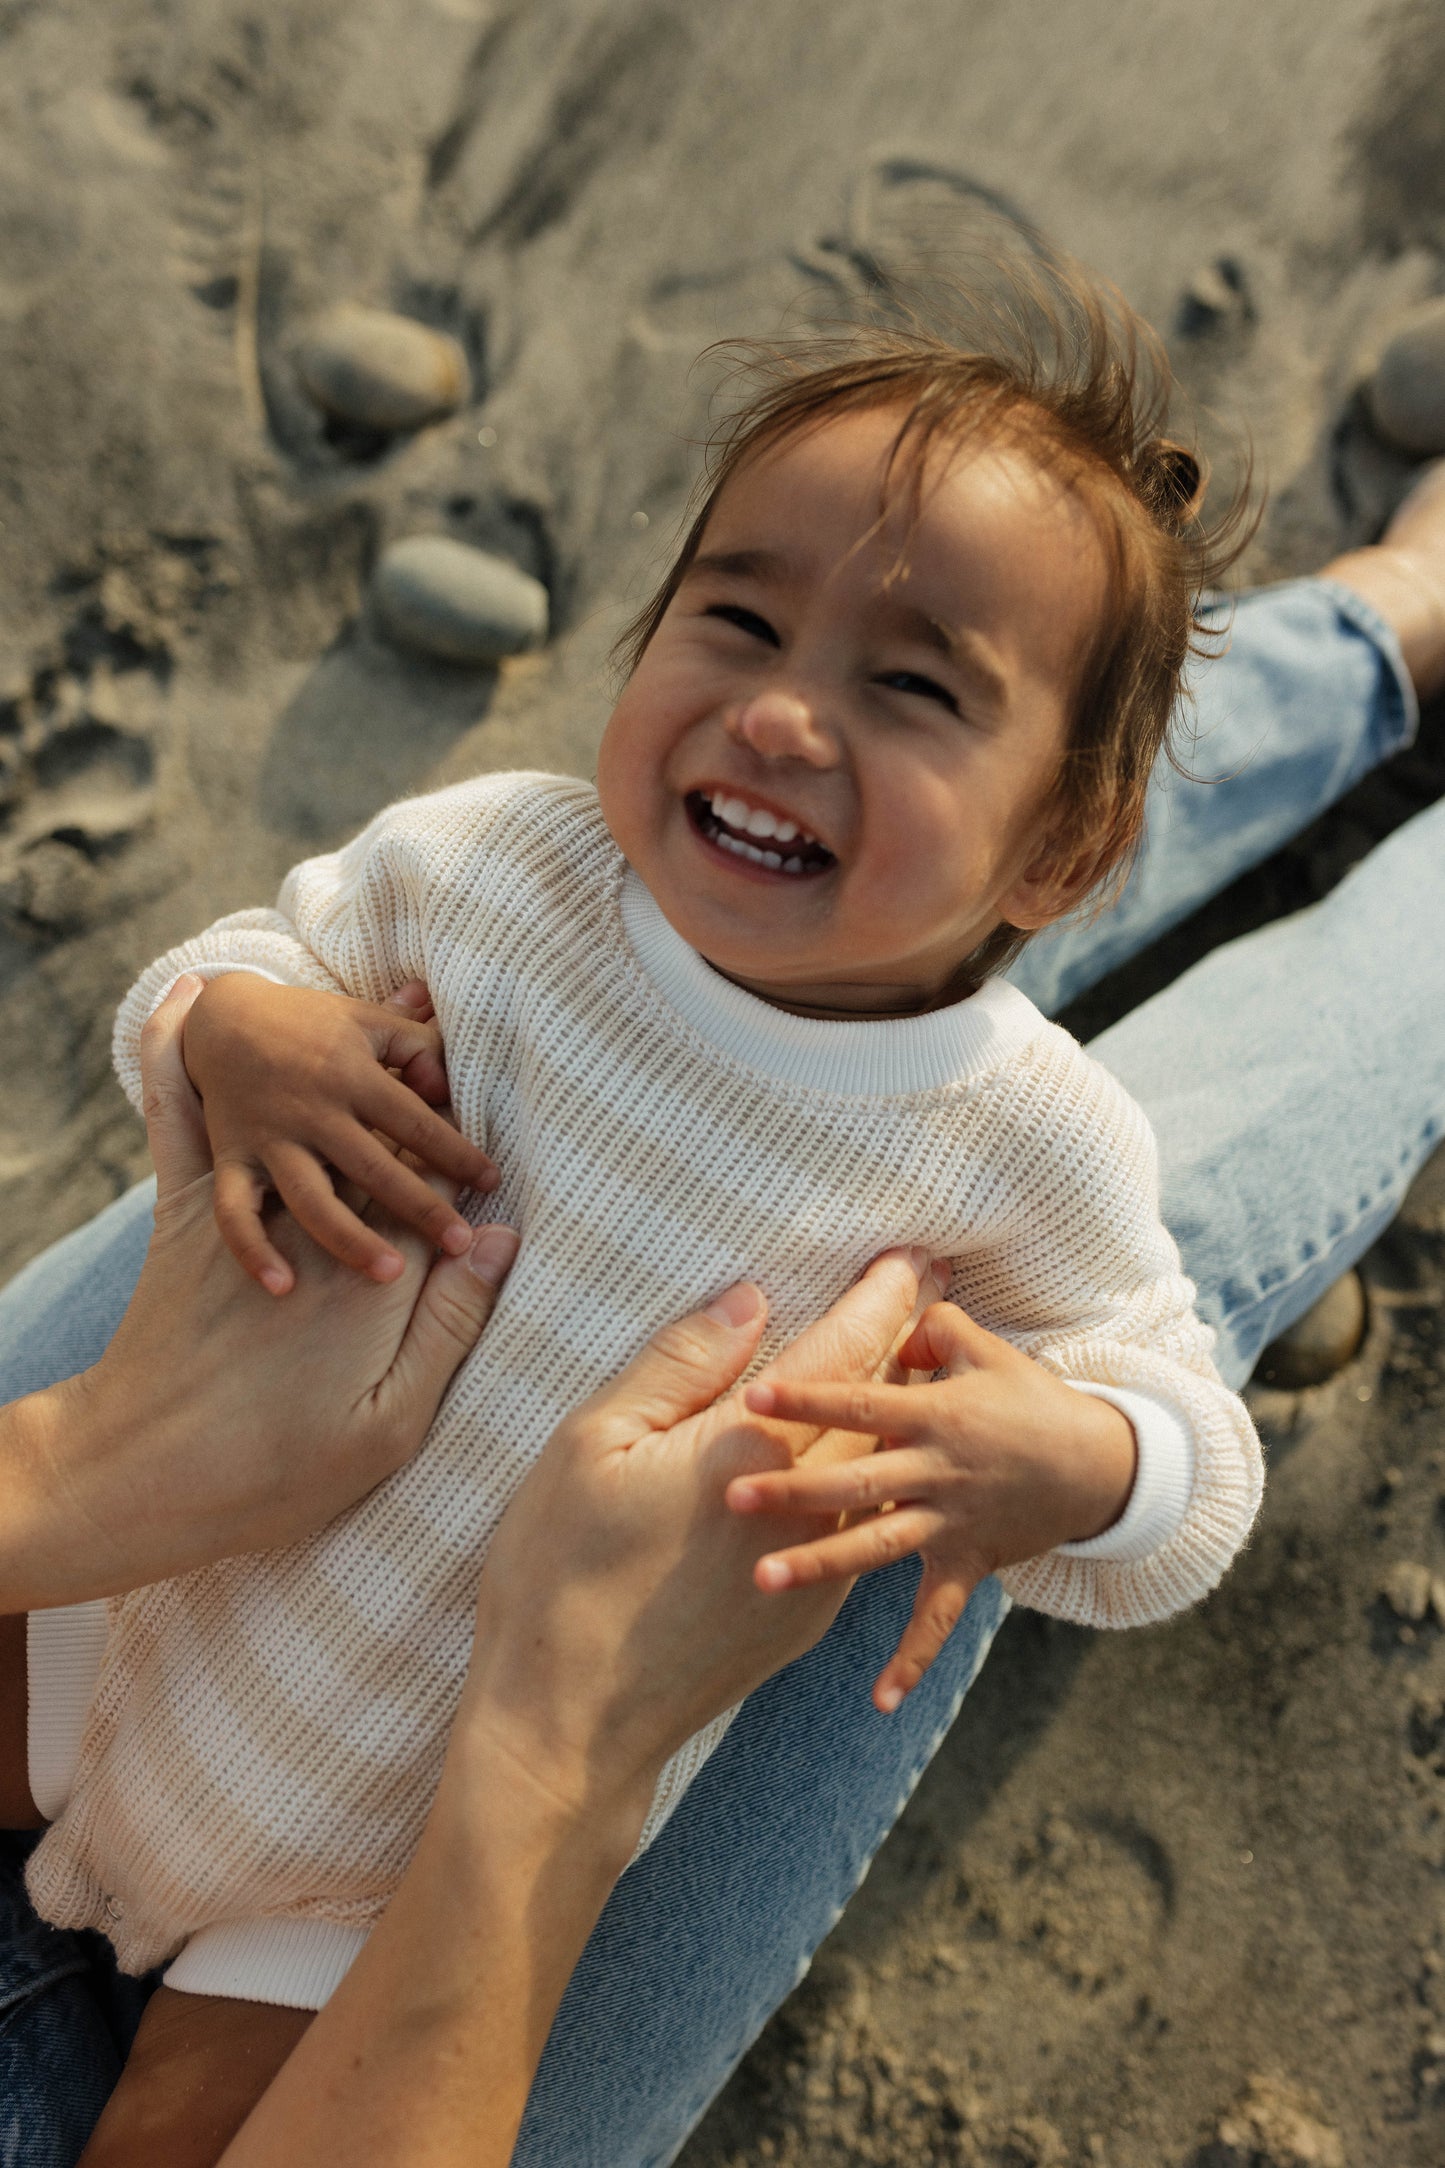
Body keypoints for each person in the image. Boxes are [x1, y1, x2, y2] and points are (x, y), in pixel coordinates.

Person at [3, 341, 1444, 2167]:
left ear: (1065, 853)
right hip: (133, 1612)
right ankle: (1369, 640)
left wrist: (1072, 1458)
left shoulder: (1022, 1136)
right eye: (734, 623)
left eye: (908, 684)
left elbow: (1186, 1429)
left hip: (365, 1864)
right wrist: (228, 1030)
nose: (775, 715)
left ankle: (1381, 658)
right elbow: (254, 955)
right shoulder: (500, 866)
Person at [0, 974, 945, 2168]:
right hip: (375, 1892)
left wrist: (87, 1462)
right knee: (914, 1367)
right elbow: (1140, 1440)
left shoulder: (501, 882)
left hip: (126, 1602)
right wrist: (566, 1752)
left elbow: (235, 978)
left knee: (861, 973)